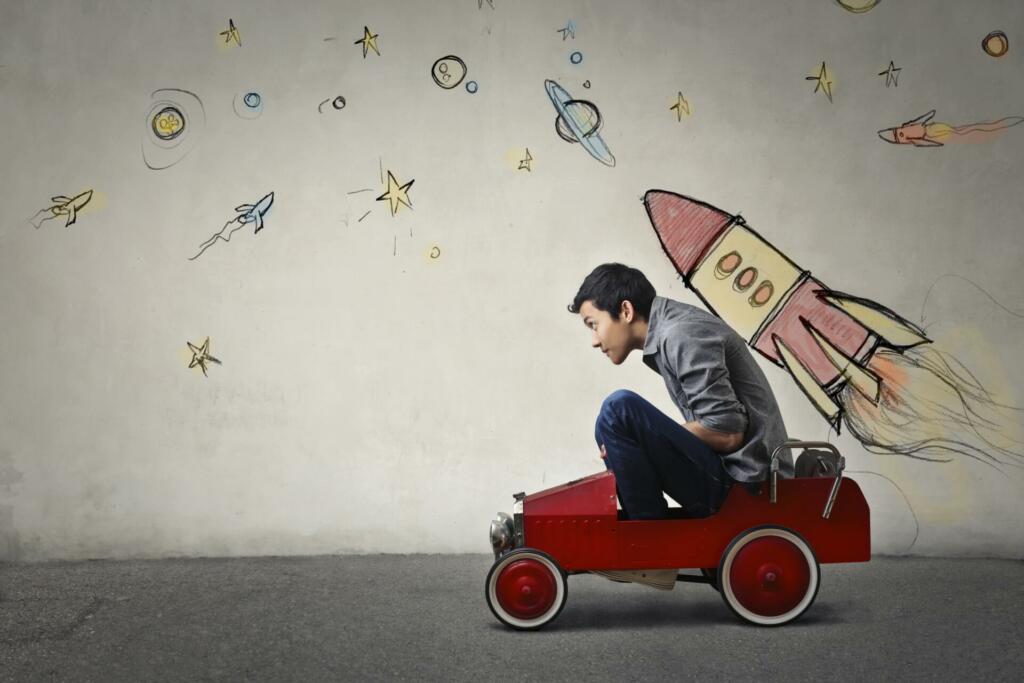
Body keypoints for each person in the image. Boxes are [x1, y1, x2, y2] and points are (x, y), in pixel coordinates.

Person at [568, 263, 792, 520]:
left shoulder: (681, 334)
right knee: (608, 425)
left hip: (748, 484)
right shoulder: (672, 332)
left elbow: (728, 434)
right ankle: (646, 531)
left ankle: (648, 543)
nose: (595, 341)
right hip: (732, 473)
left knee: (618, 409)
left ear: (626, 310)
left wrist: (649, 437)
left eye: (593, 324)